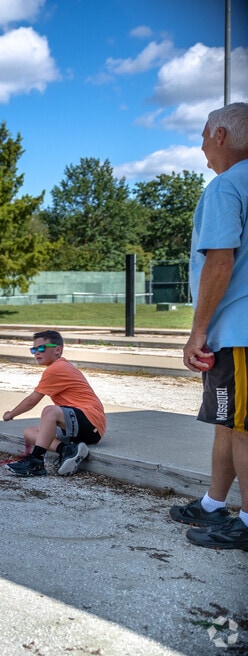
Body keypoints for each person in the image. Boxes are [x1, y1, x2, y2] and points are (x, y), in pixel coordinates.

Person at [169, 101, 248, 551]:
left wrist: (197, 332)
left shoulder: (225, 187)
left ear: (221, 136)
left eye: (203, 136)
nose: (201, 146)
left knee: (241, 427)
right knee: (229, 422)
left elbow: (220, 260)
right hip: (238, 333)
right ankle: (215, 504)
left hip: (236, 331)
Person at [2, 330, 106, 477]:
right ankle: (67, 450)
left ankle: (36, 462)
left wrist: (10, 414)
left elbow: (32, 400)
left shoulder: (57, 368)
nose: (36, 353)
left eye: (41, 348)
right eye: (34, 349)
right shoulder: (58, 367)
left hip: (91, 423)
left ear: (58, 350)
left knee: (50, 411)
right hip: (76, 424)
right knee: (29, 432)